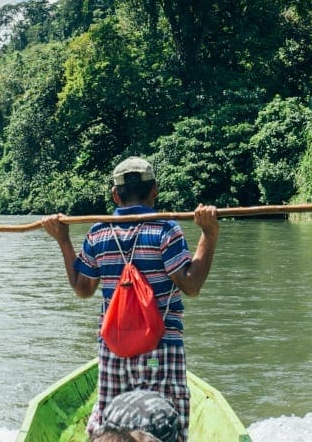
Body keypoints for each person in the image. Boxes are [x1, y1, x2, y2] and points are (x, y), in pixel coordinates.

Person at [42, 156, 220, 442]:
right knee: (169, 424)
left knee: (108, 426)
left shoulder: (98, 232)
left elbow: (82, 288)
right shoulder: (165, 229)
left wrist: (63, 239)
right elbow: (192, 284)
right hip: (162, 347)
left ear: (115, 195)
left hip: (114, 349)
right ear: (155, 191)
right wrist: (209, 235)